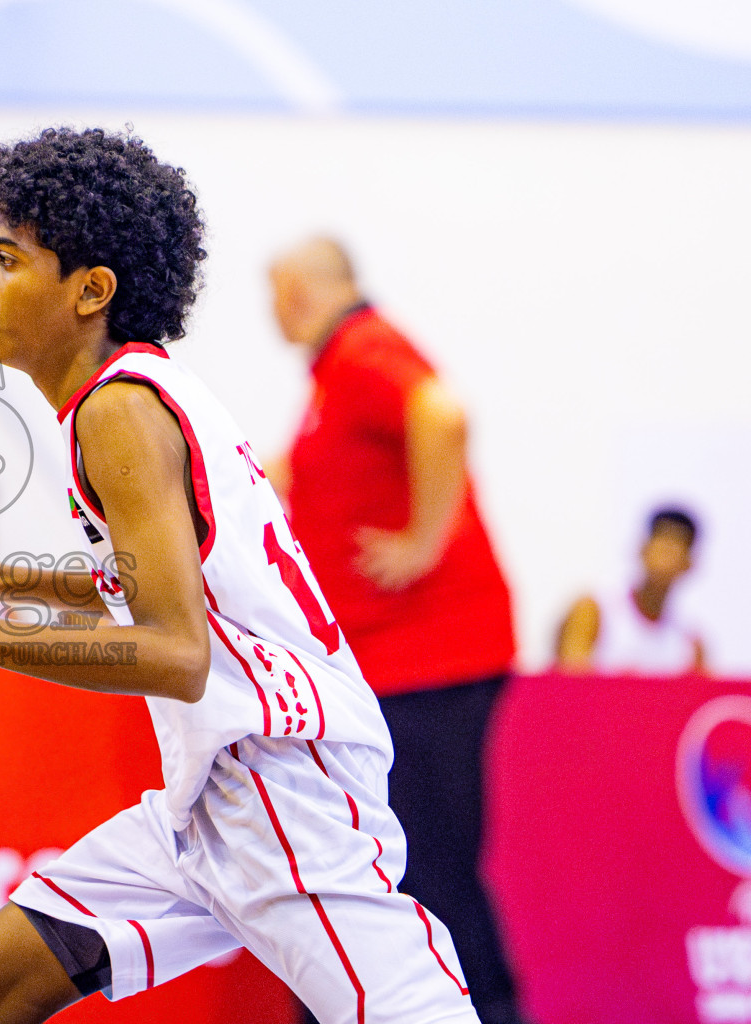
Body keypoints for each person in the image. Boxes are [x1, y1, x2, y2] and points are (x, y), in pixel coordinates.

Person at [0, 128, 478, 1024]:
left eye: (5, 258)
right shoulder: (127, 396)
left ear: (90, 290)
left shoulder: (120, 415)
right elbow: (150, 583)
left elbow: (175, 652)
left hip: (281, 788)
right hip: (207, 802)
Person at [268, 238, 523, 1024]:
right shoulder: (335, 378)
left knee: (431, 866)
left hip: (431, 662)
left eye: (275, 294)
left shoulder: (363, 351)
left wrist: (422, 542)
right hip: (388, 669)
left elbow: (442, 414)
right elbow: (298, 475)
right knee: (389, 864)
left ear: (304, 293)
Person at [556, 507, 706, 675]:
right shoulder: (594, 610)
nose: (665, 558)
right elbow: (572, 685)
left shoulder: (690, 640)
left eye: (674, 550)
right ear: (642, 549)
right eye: (662, 546)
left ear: (689, 564)